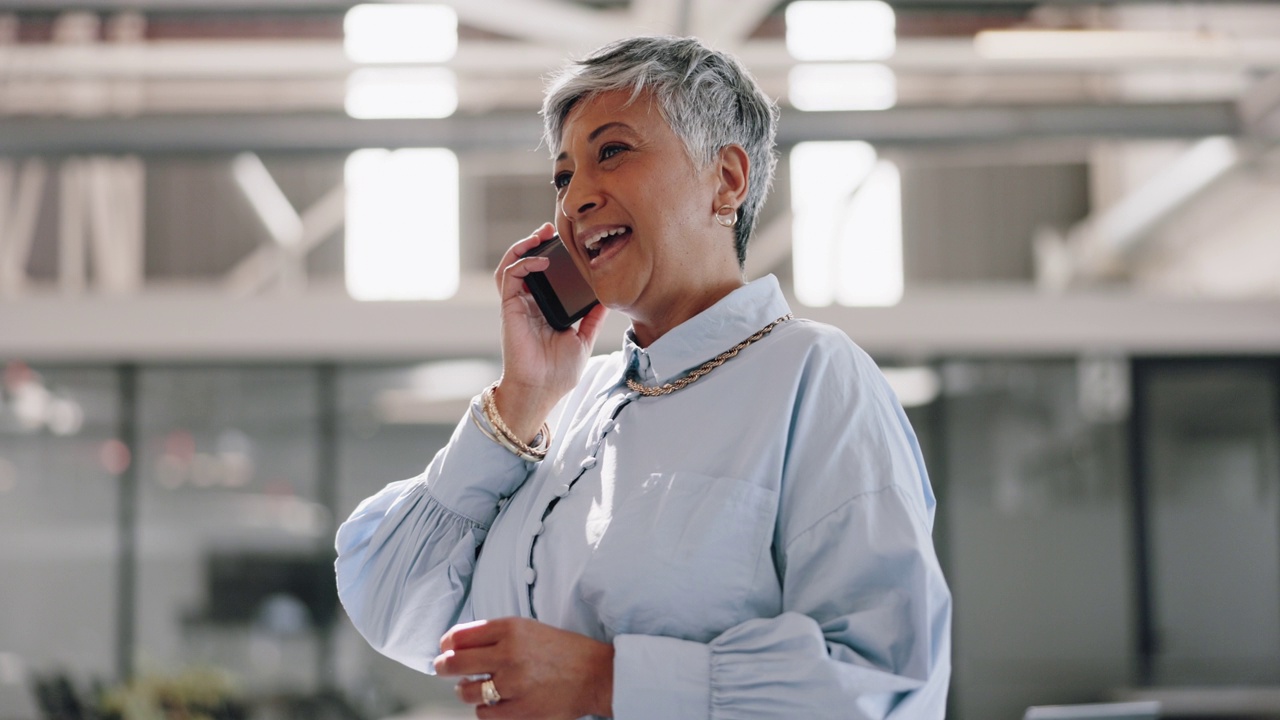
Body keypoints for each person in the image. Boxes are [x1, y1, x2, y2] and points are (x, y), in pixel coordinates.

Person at [335, 35, 951, 719]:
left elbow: (887, 682)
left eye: (613, 152)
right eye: (563, 176)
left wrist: (607, 679)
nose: (574, 202)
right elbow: (391, 606)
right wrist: (518, 404)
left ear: (728, 181)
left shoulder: (814, 379)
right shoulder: (564, 414)